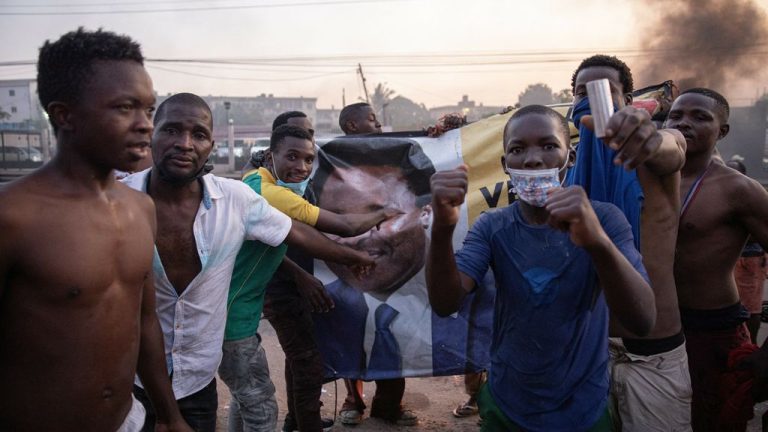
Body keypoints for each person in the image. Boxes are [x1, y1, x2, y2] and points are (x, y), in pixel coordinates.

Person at [123, 93, 375, 431]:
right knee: (258, 404)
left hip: (198, 383)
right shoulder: (115, 205)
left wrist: (351, 258)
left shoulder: (237, 200)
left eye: (198, 134)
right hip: (131, 385)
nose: (184, 144)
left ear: (211, 144)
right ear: (151, 134)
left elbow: (295, 235)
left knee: (248, 398)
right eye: (171, 131)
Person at [0, 28, 189, 431]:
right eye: (125, 108)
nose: (145, 126)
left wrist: (170, 417)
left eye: (148, 109)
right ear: (64, 114)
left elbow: (145, 321)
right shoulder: (14, 217)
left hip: (128, 421)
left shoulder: (141, 208)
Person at [426, 104, 655, 431]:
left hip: (584, 406)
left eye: (549, 146)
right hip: (508, 403)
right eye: (518, 150)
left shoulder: (604, 219)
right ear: (506, 166)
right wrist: (442, 229)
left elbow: (643, 321)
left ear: (570, 158)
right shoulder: (493, 226)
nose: (533, 159)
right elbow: (445, 302)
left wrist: (597, 243)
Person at [224, 114, 394, 432]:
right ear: (270, 154)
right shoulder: (271, 194)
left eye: (308, 159)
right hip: (234, 318)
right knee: (263, 406)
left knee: (245, 397)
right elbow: (333, 230)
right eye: (292, 157)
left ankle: (297, 422)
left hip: (237, 313)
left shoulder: (258, 184)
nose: (302, 167)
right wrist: (384, 216)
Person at [312, 137, 492, 426]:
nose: (358, 235)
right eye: (337, 219)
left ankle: (389, 406)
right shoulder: (323, 301)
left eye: (382, 216)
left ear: (426, 213)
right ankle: (357, 401)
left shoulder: (463, 296)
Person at [568, 54, 691, 431]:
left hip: (652, 360)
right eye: (581, 93)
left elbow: (673, 148)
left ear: (629, 99)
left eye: (605, 92)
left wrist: (652, 138)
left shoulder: (653, 158)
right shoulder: (566, 174)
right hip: (588, 357)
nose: (591, 100)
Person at [665, 88, 768, 431]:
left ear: (722, 131)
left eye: (700, 117)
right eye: (676, 115)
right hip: (655, 330)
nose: (684, 123)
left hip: (712, 331)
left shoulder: (738, 189)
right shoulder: (646, 179)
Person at [725, 159, 767, 344]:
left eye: (732, 173)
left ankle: (752, 345)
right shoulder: (723, 194)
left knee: (752, 308)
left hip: (750, 259)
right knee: (735, 305)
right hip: (734, 259)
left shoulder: (751, 195)